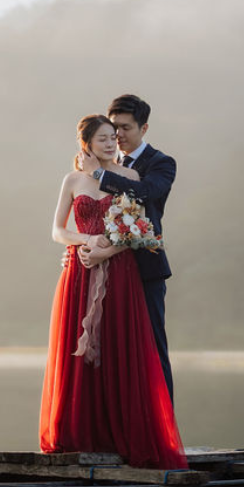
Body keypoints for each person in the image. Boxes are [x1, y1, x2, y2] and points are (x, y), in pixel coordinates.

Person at [40, 114, 186, 470]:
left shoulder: (130, 178)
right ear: (86, 143)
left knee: (120, 349)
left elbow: (139, 227)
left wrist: (110, 248)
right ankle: (80, 435)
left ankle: (122, 433)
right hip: (80, 270)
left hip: (121, 273)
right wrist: (86, 241)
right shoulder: (72, 179)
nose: (110, 142)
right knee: (80, 352)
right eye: (103, 138)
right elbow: (58, 230)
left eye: (113, 136)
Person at [78, 94, 177, 401]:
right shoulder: (108, 161)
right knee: (112, 352)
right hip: (107, 273)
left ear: (143, 128)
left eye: (125, 128)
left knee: (151, 348)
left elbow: (146, 193)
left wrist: (99, 174)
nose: (118, 136)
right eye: (113, 128)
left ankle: (164, 429)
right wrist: (83, 246)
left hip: (144, 269)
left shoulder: (160, 163)